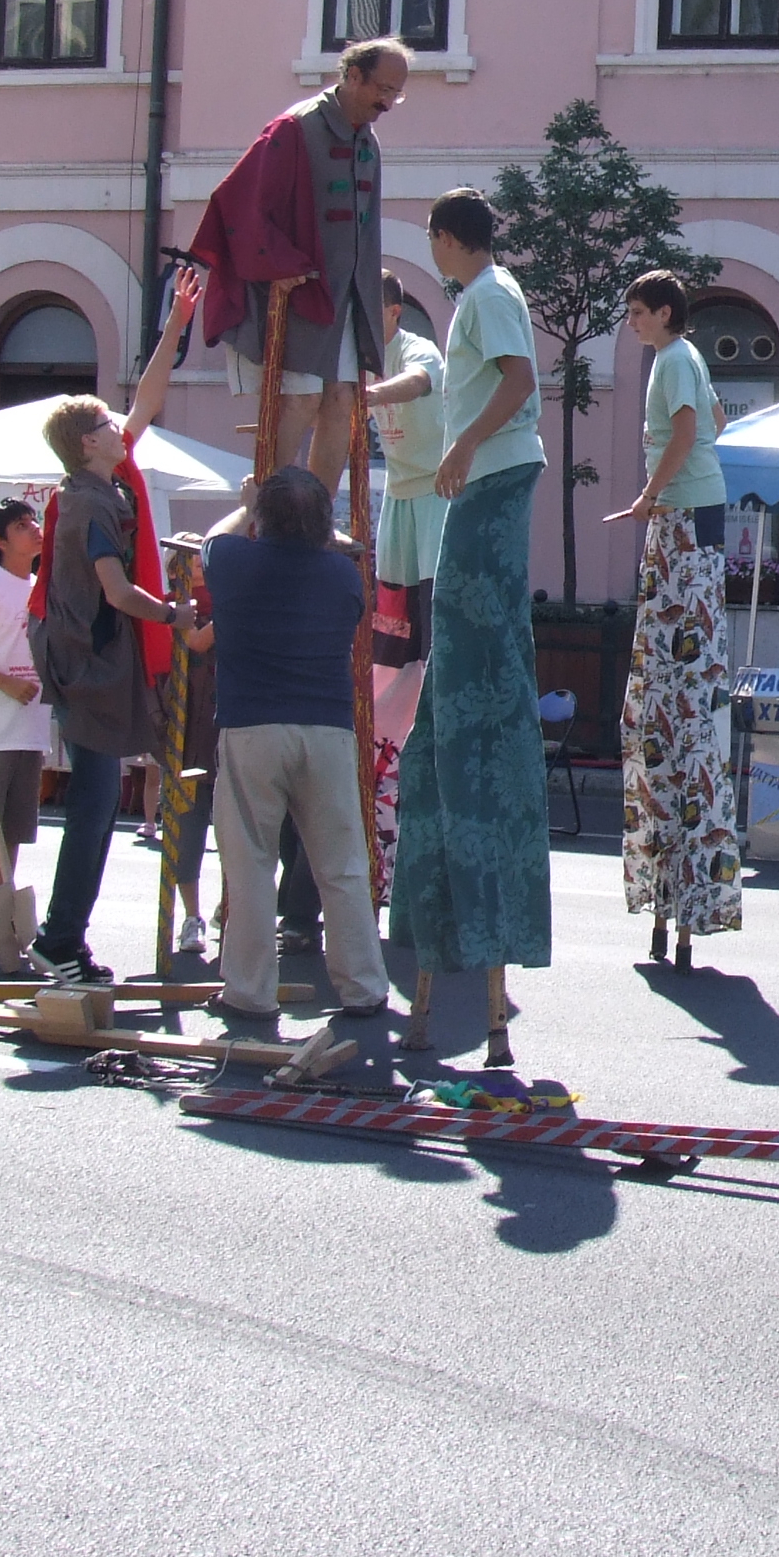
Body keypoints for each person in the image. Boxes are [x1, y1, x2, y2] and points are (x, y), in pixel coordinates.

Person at [390, 187, 552, 1069]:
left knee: (471, 634)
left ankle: (476, 711)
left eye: (433, 239)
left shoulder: (488, 294)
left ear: (448, 239)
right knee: (462, 635)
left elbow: (520, 382)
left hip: (492, 474)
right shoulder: (489, 294)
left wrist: (458, 447)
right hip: (492, 472)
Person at [29, 299, 193, 986]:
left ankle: (63, 939)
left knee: (96, 808)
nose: (119, 427)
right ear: (88, 444)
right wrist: (174, 614)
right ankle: (58, 940)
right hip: (86, 665)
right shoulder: (90, 500)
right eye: (106, 423)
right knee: (93, 808)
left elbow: (147, 401)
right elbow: (117, 592)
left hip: (91, 663)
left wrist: (177, 323)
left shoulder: (103, 481)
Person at [199, 465, 390, 1041]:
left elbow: (212, 540)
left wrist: (245, 503)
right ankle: (363, 986)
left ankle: (249, 992)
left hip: (252, 724)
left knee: (250, 864)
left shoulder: (234, 561)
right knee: (342, 864)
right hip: (326, 727)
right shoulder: (343, 575)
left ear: (262, 519)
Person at [188, 36, 410, 480]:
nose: (387, 103)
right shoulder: (295, 128)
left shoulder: (368, 142)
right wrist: (282, 264)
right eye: (383, 89)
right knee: (301, 398)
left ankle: (314, 512)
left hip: (345, 302)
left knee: (343, 400)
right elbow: (238, 204)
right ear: (353, 76)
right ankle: (271, 505)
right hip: (299, 298)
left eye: (395, 93)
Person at [614, 269, 745, 973]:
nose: (632, 321)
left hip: (685, 519)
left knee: (677, 675)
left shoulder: (670, 360)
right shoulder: (686, 357)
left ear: (664, 312)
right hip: (697, 516)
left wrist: (650, 493)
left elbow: (694, 428)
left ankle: (680, 893)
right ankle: (682, 901)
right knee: (681, 680)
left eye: (639, 311)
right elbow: (718, 420)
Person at [0, 495, 49, 975]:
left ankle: (2, 926)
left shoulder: (41, 586)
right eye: (22, 525)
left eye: (34, 521)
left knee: (14, 832)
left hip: (31, 726)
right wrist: (2, 683)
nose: (35, 529)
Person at [361, 270, 448, 663]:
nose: (359, 316)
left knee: (433, 600)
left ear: (394, 311)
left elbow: (418, 381)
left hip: (435, 490)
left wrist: (367, 395)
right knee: (392, 607)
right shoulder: (358, 358)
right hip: (397, 494)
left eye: (368, 306)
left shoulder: (418, 348)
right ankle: (394, 690)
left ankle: (434, 684)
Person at [157, 536, 221, 966]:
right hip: (185, 727)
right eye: (190, 561)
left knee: (238, 824)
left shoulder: (224, 600)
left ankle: (228, 908)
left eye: (202, 559)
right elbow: (193, 641)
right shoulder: (168, 606)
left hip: (224, 720)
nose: (199, 566)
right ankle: (191, 915)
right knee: (187, 823)